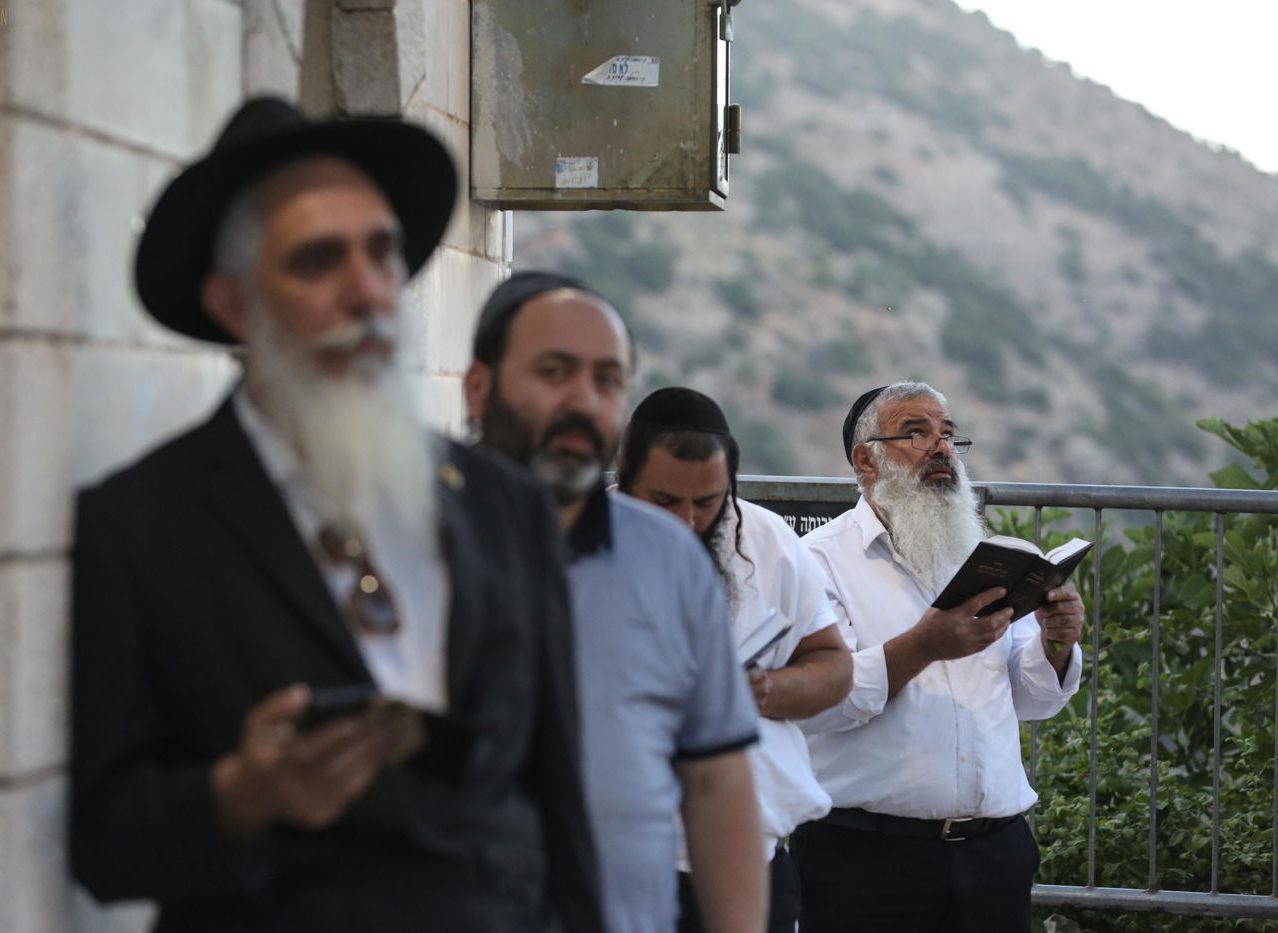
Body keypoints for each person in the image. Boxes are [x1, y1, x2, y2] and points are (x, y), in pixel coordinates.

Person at [69, 97, 604, 933]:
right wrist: (242, 793)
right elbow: (103, 840)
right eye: (319, 261)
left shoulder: (503, 505)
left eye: (382, 253)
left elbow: (560, 795)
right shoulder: (141, 521)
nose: (367, 292)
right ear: (233, 303)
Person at [464, 272, 767, 933]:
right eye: (554, 371)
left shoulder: (670, 562)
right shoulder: (404, 543)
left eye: (606, 379)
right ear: (477, 388)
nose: (582, 399)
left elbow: (718, 785)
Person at [791, 381, 1085, 932]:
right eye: (915, 433)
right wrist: (924, 645)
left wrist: (1058, 642)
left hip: (994, 853)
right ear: (866, 460)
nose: (941, 448)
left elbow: (1035, 700)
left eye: (948, 435)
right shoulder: (815, 563)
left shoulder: (997, 559)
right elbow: (821, 699)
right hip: (865, 858)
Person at [614, 386, 853, 933]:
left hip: (750, 854)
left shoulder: (767, 539)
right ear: (624, 475)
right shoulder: (575, 547)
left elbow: (833, 665)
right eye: (665, 502)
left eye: (709, 502)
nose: (690, 522)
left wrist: (760, 691)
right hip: (617, 858)